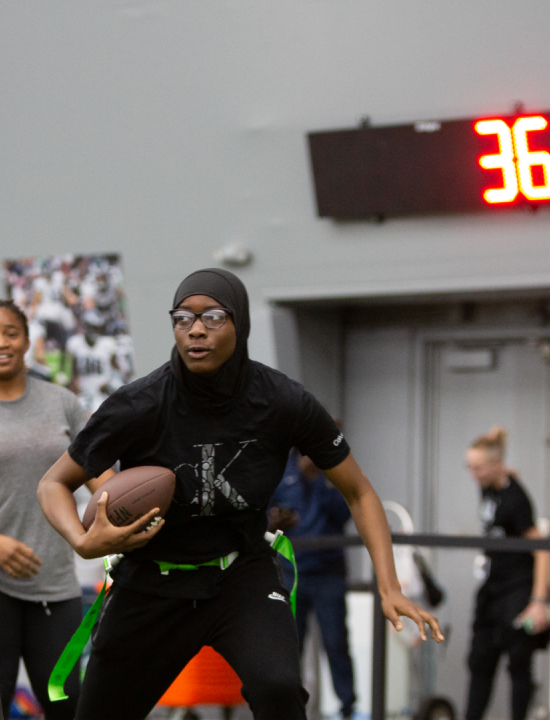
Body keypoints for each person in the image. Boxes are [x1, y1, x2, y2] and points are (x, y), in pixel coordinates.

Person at [37, 268, 442, 720]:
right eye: (182, 318)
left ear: (241, 323)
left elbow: (360, 493)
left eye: (213, 317)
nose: (195, 330)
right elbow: (54, 483)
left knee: (280, 688)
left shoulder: (282, 400)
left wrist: (389, 586)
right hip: (153, 581)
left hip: (240, 575)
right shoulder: (140, 404)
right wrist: (81, 539)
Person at [0, 299, 94, 719]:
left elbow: (102, 479)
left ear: (26, 341)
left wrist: (124, 519)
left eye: (11, 333)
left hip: (54, 581)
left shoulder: (62, 402)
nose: (1, 343)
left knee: (67, 702)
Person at [463, 427, 550, 720]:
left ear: (495, 465)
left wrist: (538, 601)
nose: (472, 473)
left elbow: (542, 549)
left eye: (478, 467)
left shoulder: (517, 500)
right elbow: (497, 453)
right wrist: (495, 438)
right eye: (470, 467)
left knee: (518, 665)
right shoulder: (488, 484)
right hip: (491, 589)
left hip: (518, 589)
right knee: (479, 662)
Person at [268, 448, 357, 719]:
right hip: (292, 571)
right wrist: (276, 520)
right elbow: (264, 518)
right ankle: (289, 708)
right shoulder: (281, 473)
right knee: (291, 644)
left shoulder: (335, 473)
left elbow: (346, 513)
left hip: (329, 572)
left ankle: (347, 707)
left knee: (335, 642)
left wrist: (321, 479)